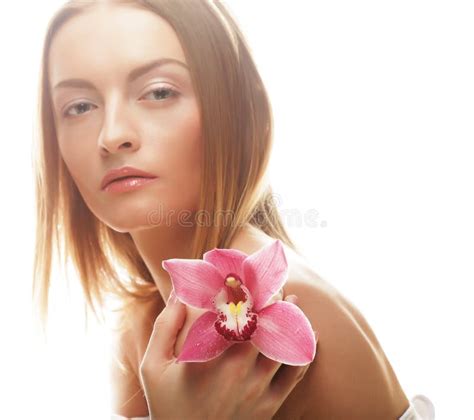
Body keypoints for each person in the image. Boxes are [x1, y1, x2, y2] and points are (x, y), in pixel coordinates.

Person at [33, 0, 434, 418]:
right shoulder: (140, 321)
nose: (112, 135)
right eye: (79, 106)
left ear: (241, 112)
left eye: (158, 92)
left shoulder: (293, 315)